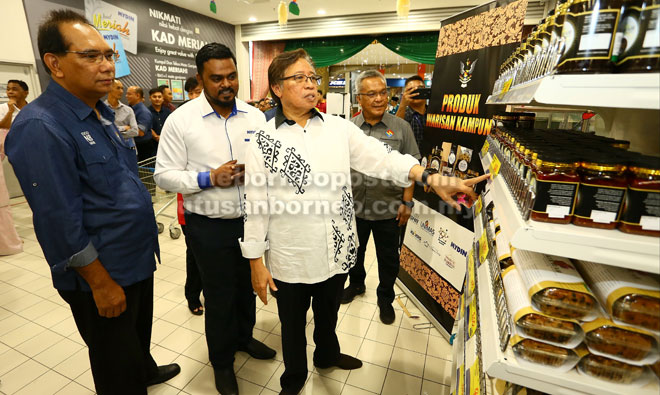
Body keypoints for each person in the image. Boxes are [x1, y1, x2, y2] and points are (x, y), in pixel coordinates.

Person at [240, 49, 488, 395]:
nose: (311, 85)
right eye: (300, 78)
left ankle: (327, 356)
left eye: (313, 78)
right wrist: (255, 260)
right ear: (278, 89)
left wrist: (429, 177)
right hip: (290, 254)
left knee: (328, 315)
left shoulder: (339, 128)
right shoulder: (263, 140)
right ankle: (294, 380)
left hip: (337, 246)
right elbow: (256, 202)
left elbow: (382, 158)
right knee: (292, 326)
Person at [5, 10, 180, 394]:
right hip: (102, 274)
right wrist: (100, 283)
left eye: (108, 55)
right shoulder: (41, 126)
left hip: (133, 262)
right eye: (91, 56)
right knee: (115, 367)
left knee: (133, 345)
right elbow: (57, 220)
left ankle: (144, 370)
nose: (107, 66)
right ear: (55, 64)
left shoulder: (99, 113)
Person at [154, 43, 276, 395]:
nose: (227, 84)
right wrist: (209, 178)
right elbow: (164, 175)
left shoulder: (254, 117)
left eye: (232, 76)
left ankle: (244, 339)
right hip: (208, 226)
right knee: (220, 296)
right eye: (217, 78)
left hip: (250, 221)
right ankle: (221, 362)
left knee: (248, 289)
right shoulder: (182, 120)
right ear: (201, 79)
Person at [340, 70, 421, 325]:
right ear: (359, 99)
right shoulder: (348, 128)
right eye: (371, 94)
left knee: (388, 259)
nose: (379, 99)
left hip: (389, 208)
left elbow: (411, 165)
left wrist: (407, 202)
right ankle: (356, 284)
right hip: (354, 208)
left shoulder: (401, 127)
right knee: (355, 253)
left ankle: (385, 297)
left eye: (383, 93)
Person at [177, 75, 204, 316]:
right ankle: (192, 294)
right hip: (189, 204)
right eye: (194, 92)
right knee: (194, 253)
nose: (199, 97)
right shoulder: (182, 120)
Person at [0, 79, 28, 255]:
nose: (10, 92)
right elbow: (3, 126)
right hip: (10, 153)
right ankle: (9, 238)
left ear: (25, 92)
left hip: (31, 151)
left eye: (14, 89)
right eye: (8, 89)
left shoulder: (32, 108)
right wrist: (10, 111)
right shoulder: (3, 108)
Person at [104, 79, 138, 155]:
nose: (121, 91)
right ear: (109, 88)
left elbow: (135, 131)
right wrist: (124, 128)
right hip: (110, 152)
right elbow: (102, 131)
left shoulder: (129, 110)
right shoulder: (101, 109)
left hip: (128, 151)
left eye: (122, 88)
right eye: (118, 88)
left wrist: (112, 133)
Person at [396, 75, 427, 148]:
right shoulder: (403, 114)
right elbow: (392, 133)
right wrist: (402, 105)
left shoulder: (434, 114)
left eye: (420, 88)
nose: (416, 92)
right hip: (408, 158)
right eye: (411, 90)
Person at [126, 85, 153, 162]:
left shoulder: (144, 112)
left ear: (137, 95)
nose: (126, 96)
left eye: (129, 94)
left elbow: (140, 132)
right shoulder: (129, 109)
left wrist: (125, 128)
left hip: (143, 148)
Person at [148, 88, 171, 158]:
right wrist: (156, 137)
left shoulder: (168, 112)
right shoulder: (147, 112)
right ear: (150, 98)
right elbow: (148, 127)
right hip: (151, 146)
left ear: (163, 98)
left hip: (167, 145)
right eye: (154, 97)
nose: (157, 99)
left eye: (159, 97)